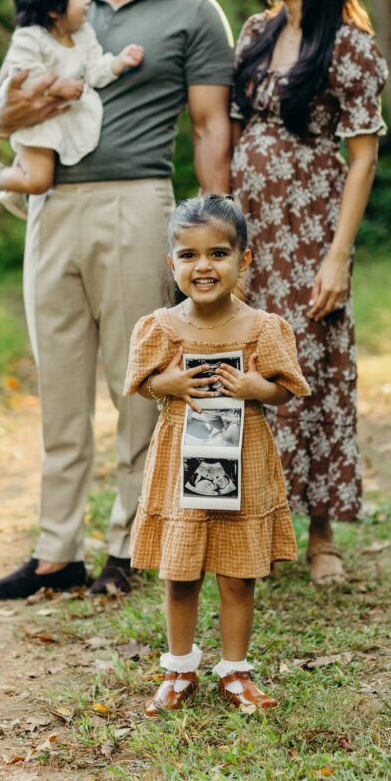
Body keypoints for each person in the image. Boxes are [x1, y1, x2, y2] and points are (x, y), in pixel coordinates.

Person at [0, 0, 233, 601]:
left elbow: (212, 124)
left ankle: (127, 545)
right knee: (59, 385)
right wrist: (10, 119)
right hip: (51, 209)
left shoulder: (196, 13)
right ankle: (57, 553)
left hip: (137, 206)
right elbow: (2, 108)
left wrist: (217, 235)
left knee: (137, 384)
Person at [230, 0, 388, 585]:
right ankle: (258, 522)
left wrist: (336, 255)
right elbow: (234, 134)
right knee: (246, 366)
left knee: (309, 369)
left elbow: (362, 158)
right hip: (252, 231)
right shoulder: (255, 33)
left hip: (311, 228)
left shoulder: (352, 48)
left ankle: (320, 531)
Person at [124, 195, 310, 715]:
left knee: (236, 573)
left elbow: (284, 389)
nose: (203, 266)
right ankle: (179, 669)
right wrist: (171, 382)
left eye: (218, 253)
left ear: (244, 259)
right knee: (180, 571)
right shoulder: (159, 327)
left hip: (243, 458)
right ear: (172, 263)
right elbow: (141, 385)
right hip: (180, 459)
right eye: (188, 255)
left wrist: (258, 387)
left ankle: (236, 673)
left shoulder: (262, 327)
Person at [0, 0, 144, 220]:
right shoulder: (29, 38)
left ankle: (14, 192)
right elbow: (20, 75)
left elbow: (94, 70)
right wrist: (57, 86)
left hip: (62, 119)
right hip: (39, 122)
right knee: (40, 181)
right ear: (54, 10)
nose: (88, 1)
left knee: (35, 171)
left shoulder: (83, 34)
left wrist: (118, 63)